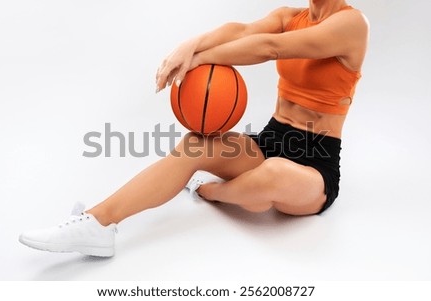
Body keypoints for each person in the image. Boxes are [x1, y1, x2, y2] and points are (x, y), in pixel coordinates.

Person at [19, 0, 369, 257]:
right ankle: (96, 223)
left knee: (274, 174)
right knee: (194, 145)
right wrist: (190, 45)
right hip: (270, 139)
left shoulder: (352, 24)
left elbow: (271, 47)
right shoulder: (289, 16)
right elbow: (244, 31)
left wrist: (202, 59)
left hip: (316, 165)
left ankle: (208, 191)